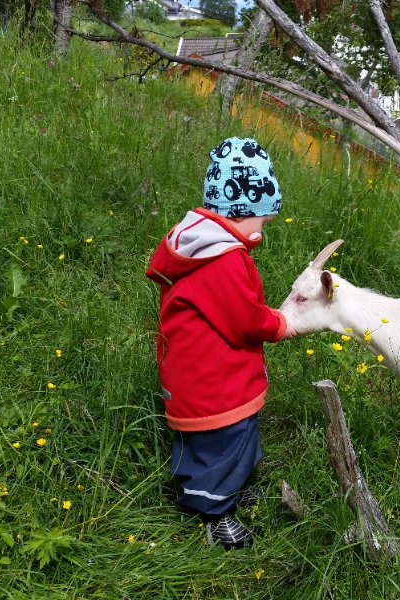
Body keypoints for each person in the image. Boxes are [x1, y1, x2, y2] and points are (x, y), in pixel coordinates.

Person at [146, 137, 291, 550]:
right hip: (216, 384)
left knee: (223, 442)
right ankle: (214, 514)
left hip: (197, 374)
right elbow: (245, 318)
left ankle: (230, 490)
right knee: (221, 445)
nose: (262, 228)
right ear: (241, 211)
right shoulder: (225, 260)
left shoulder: (200, 248)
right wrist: (280, 325)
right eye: (262, 219)